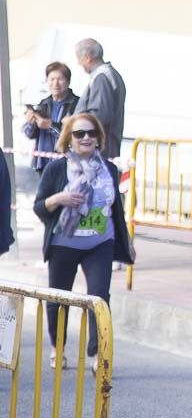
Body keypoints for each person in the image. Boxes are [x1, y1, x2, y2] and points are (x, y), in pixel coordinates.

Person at [32, 113, 134, 372]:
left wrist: (127, 240)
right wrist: (59, 199)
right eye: (79, 134)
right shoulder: (57, 168)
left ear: (98, 138)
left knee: (99, 298)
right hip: (63, 244)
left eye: (91, 133)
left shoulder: (109, 169)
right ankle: (58, 348)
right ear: (69, 139)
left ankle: (97, 354)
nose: (86, 138)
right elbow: (40, 206)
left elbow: (117, 210)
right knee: (58, 299)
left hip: (100, 244)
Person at [23, 61, 79, 173]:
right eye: (51, 79)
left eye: (60, 79)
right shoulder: (44, 103)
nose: (55, 83)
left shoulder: (76, 104)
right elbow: (29, 134)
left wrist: (50, 126)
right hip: (43, 163)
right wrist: (31, 122)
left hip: (67, 164)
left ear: (68, 81)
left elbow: (75, 136)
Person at [75, 38, 126, 161]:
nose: (78, 63)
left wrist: (75, 122)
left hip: (99, 150)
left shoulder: (101, 78)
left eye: (79, 58)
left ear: (87, 57)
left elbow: (99, 116)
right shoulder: (110, 74)